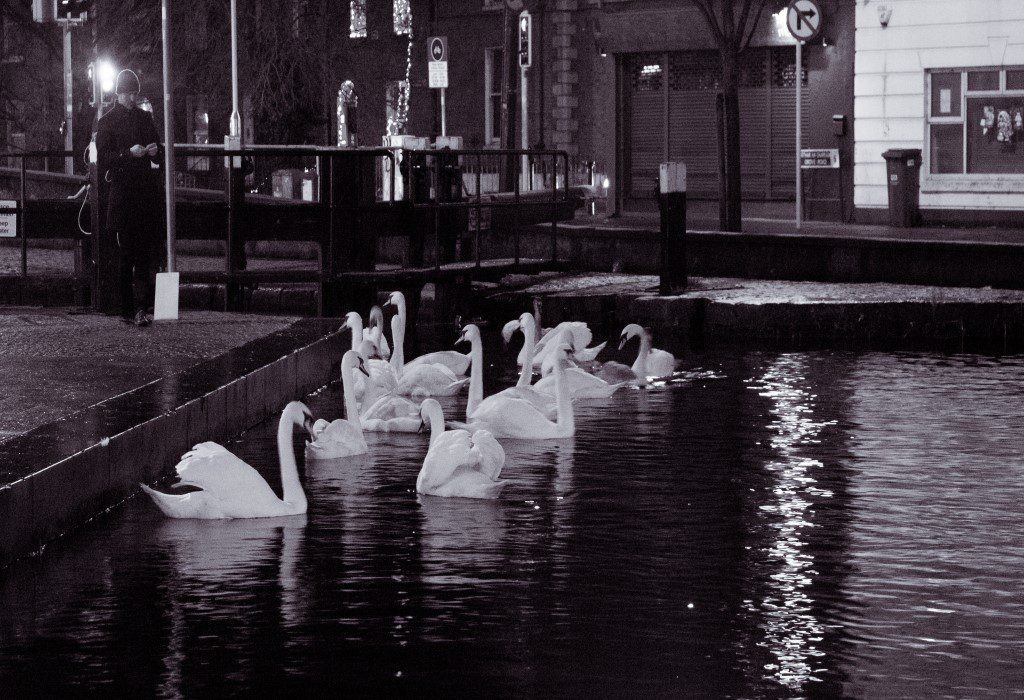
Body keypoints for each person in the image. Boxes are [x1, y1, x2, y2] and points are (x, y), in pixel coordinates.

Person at [96, 69, 163, 326]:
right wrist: (128, 154)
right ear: (119, 94)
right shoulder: (108, 121)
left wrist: (155, 151)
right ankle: (128, 307)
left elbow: (157, 149)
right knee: (126, 255)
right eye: (128, 94)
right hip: (124, 193)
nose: (132, 99)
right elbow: (103, 159)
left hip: (141, 194)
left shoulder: (145, 119)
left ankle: (140, 307)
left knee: (143, 254)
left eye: (133, 94)